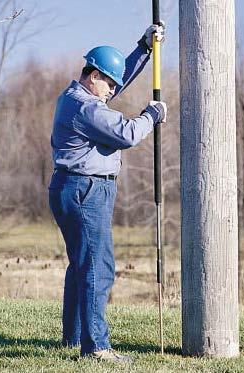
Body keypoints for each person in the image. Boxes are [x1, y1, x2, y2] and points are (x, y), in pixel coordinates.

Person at [48, 23, 167, 363]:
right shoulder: (86, 108)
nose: (112, 90)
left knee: (82, 265)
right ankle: (97, 348)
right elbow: (127, 134)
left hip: (72, 187)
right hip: (86, 192)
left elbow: (121, 76)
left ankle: (73, 340)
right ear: (93, 76)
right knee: (99, 268)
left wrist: (144, 48)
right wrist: (151, 115)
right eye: (109, 83)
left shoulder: (77, 96)